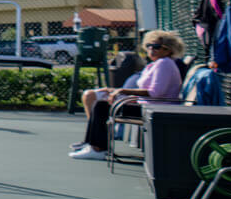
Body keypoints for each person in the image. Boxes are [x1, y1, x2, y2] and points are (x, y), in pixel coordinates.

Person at [69, 31, 185, 160]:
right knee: (101, 103)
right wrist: (114, 90)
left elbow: (155, 93)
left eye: (156, 47)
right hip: (147, 106)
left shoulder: (165, 64)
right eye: (149, 46)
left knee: (101, 106)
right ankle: (92, 145)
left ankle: (98, 149)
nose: (151, 49)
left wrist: (123, 91)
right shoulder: (156, 64)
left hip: (156, 110)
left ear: (168, 50)